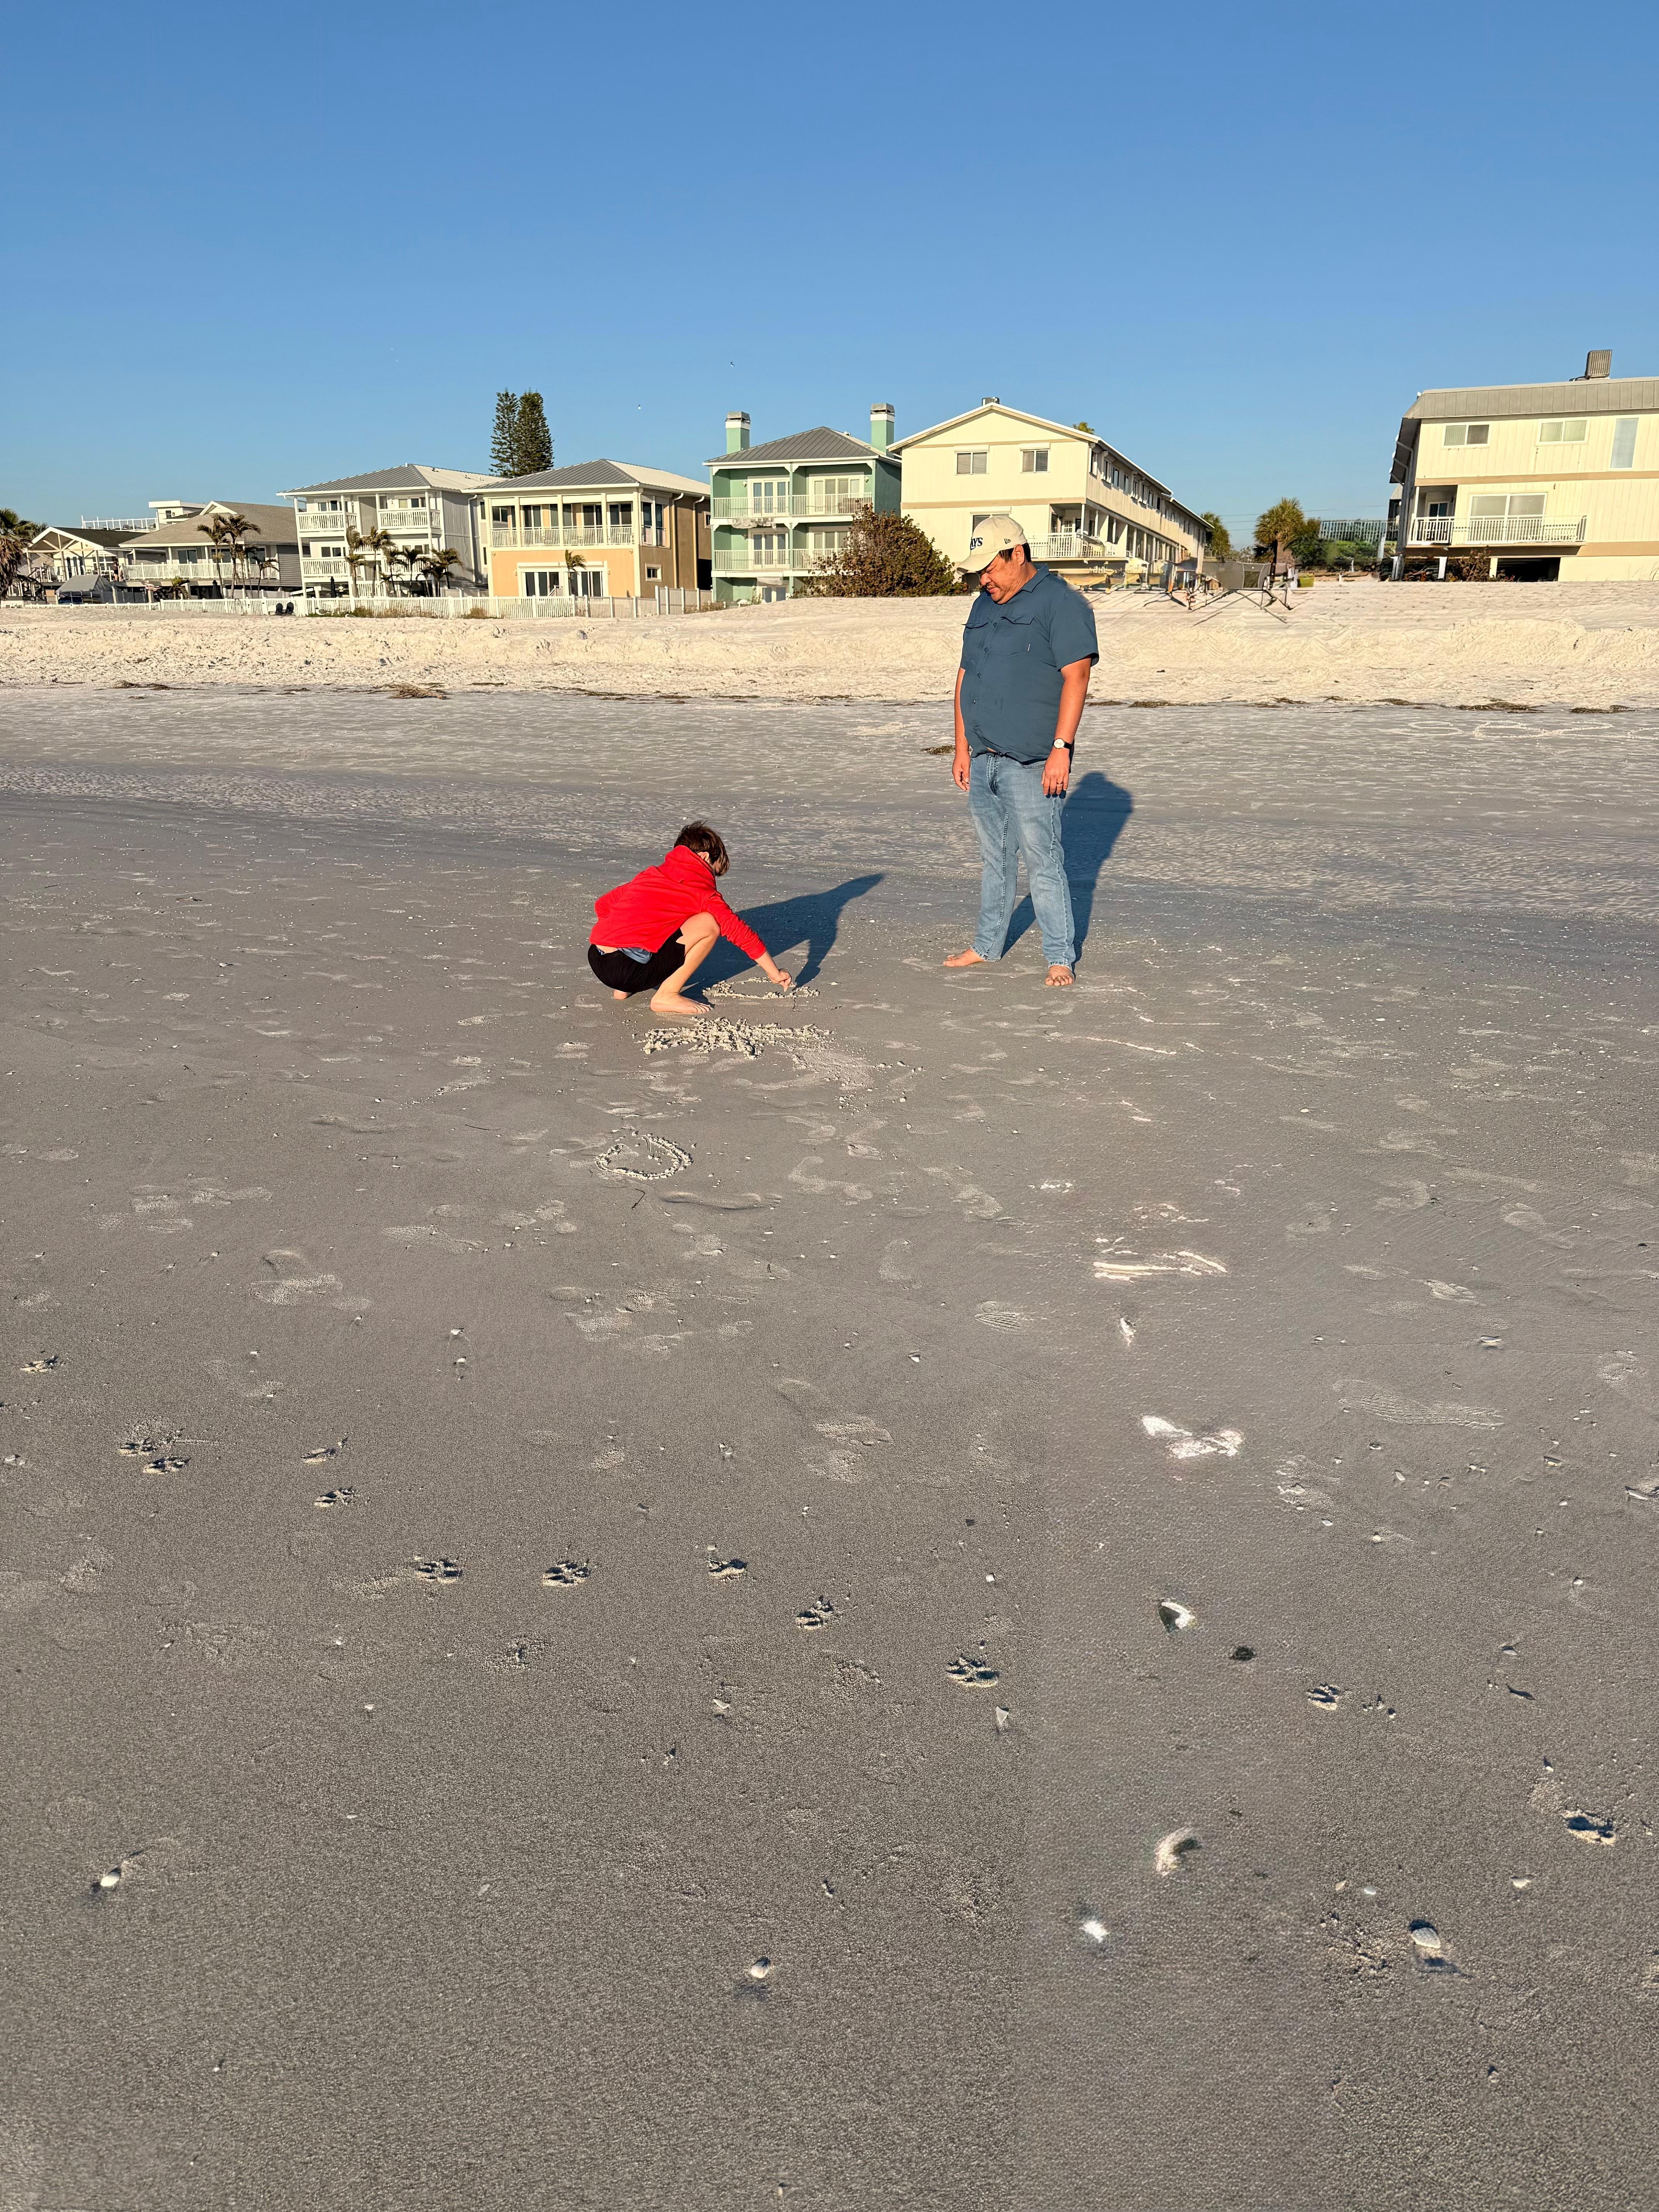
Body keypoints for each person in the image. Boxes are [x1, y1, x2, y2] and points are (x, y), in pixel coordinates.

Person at [943, 515, 1098, 988]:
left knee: (1043, 859)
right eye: (977, 573)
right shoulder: (983, 606)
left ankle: (1059, 957)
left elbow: (1078, 677)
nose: (983, 580)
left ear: (1018, 554)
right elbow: (965, 676)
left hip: (1033, 761)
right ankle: (988, 945)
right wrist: (962, 745)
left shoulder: (1062, 603)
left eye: (989, 569)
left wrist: (1061, 748)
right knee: (995, 859)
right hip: (985, 755)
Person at [587, 821, 792, 1017]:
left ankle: (623, 989)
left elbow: (603, 905)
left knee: (654, 927)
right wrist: (774, 973)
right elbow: (738, 931)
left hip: (598, 959)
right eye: (714, 871)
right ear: (704, 857)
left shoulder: (651, 875)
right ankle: (667, 996)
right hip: (628, 971)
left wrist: (623, 944)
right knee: (709, 924)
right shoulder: (701, 889)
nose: (713, 880)